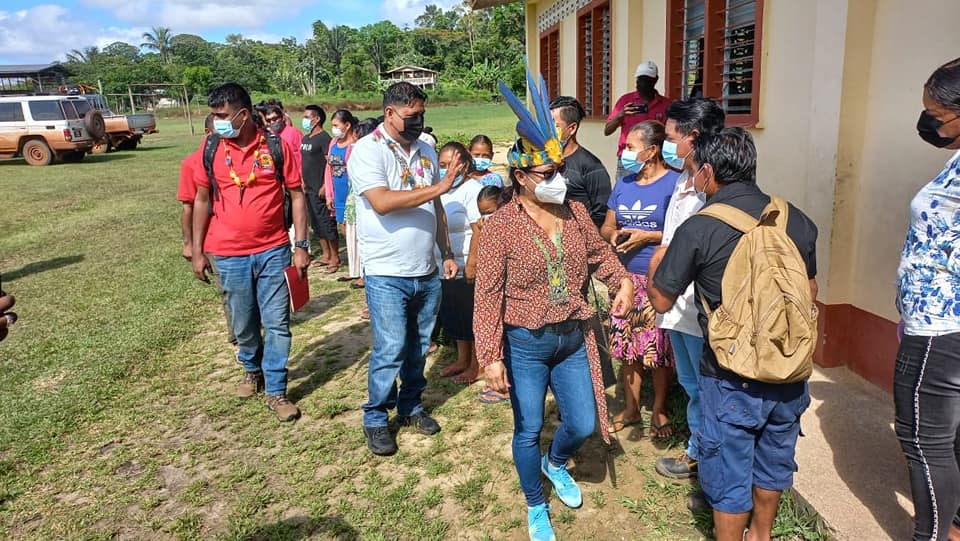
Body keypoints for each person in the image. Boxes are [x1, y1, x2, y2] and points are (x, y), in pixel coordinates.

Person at [476, 71, 634, 541]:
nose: (558, 181)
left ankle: (556, 461)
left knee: (582, 421)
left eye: (560, 171)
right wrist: (489, 356)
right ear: (521, 177)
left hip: (572, 337)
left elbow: (599, 255)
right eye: (548, 175)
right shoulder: (501, 227)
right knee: (526, 427)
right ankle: (534, 503)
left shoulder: (577, 213)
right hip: (526, 342)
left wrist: (620, 281)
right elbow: (487, 295)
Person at [647, 127, 819, 541]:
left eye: (694, 171)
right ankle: (760, 535)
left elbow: (662, 301)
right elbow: (809, 293)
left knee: (728, 469)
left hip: (730, 373)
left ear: (707, 172)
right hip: (789, 369)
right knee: (774, 461)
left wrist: (657, 261)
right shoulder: (797, 219)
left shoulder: (699, 227)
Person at [347, 82, 461, 456]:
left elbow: (437, 206)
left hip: (425, 268)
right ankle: (376, 416)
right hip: (386, 271)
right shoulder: (367, 150)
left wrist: (445, 250)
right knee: (391, 346)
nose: (418, 122)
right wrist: (441, 185)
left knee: (418, 347)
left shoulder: (426, 149)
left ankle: (411, 404)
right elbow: (381, 202)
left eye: (422, 115)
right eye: (411, 117)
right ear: (390, 113)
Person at [191, 83, 310, 422]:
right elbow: (201, 199)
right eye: (214, 116)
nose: (217, 123)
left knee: (277, 322)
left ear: (243, 115)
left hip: (274, 249)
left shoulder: (276, 146)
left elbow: (297, 196)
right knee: (243, 321)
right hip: (228, 254)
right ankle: (250, 367)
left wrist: (301, 246)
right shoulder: (212, 146)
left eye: (223, 116)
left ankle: (276, 390)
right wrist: (197, 251)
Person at [894, 56, 960, 541]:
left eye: (936, 116)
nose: (928, 124)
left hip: (939, 327)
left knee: (924, 439)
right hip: (940, 320)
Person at [653, 97, 726, 481]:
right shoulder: (683, 178)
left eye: (670, 137)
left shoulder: (711, 185)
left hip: (698, 307)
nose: (667, 145)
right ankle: (699, 447)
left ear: (693, 137)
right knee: (689, 381)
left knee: (705, 386)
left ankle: (703, 456)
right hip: (675, 304)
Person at [599, 121, 678, 437]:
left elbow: (681, 231)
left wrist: (648, 237)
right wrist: (614, 234)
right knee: (626, 345)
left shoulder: (674, 185)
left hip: (658, 278)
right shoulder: (623, 185)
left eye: (630, 147)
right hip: (625, 280)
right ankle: (631, 409)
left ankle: (659, 409)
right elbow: (606, 227)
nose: (624, 153)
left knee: (658, 348)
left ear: (652, 150)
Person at [177, 114, 236, 347]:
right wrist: (190, 244)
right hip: (213, 239)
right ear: (207, 133)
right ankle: (237, 336)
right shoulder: (193, 162)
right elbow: (188, 207)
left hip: (238, 237)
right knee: (228, 290)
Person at [433, 142, 485, 385]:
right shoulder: (439, 189)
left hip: (467, 264)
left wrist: (473, 262)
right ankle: (462, 359)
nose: (445, 170)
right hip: (446, 265)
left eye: (450, 165)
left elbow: (480, 230)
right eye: (441, 165)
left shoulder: (473, 189)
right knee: (456, 315)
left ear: (464, 165)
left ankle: (478, 365)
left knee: (472, 316)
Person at [549, 96, 611, 228]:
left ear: (572, 128)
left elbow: (601, 212)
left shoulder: (591, 166)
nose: (546, 130)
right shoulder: (540, 161)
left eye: (553, 125)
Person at [605, 61, 673, 179]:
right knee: (625, 195)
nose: (641, 83)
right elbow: (607, 130)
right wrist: (621, 115)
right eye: (639, 79)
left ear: (655, 80)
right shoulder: (625, 101)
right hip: (629, 161)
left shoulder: (666, 105)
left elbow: (671, 135)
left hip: (654, 161)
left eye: (646, 80)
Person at [301, 105, 339, 269]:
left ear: (316, 119)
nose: (305, 120)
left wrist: (326, 185)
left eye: (307, 116)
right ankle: (326, 254)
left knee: (326, 222)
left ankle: (335, 257)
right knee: (316, 223)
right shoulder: (306, 138)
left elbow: (329, 163)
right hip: (308, 188)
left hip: (320, 188)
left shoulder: (324, 138)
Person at [323, 110, 360, 276]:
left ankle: (360, 268)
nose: (334, 129)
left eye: (336, 126)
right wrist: (329, 194)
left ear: (347, 125)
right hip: (337, 192)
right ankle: (354, 266)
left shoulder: (355, 144)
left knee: (356, 230)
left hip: (351, 192)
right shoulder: (333, 143)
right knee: (344, 227)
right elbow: (328, 169)